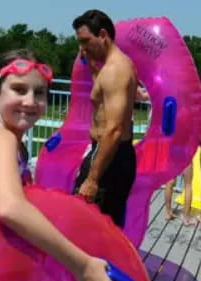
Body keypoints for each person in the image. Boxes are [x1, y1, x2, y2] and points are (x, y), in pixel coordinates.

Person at [0, 49, 115, 281]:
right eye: (19, 89)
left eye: (39, 93)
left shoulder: (9, 138)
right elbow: (9, 208)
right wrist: (82, 264)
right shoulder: (1, 138)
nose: (30, 101)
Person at [72, 10, 137, 228]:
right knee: (95, 224)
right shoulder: (112, 67)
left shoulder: (116, 69)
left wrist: (92, 179)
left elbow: (115, 129)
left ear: (102, 34)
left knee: (90, 226)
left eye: (85, 41)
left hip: (111, 158)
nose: (82, 48)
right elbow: (102, 90)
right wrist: (91, 64)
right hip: (107, 154)